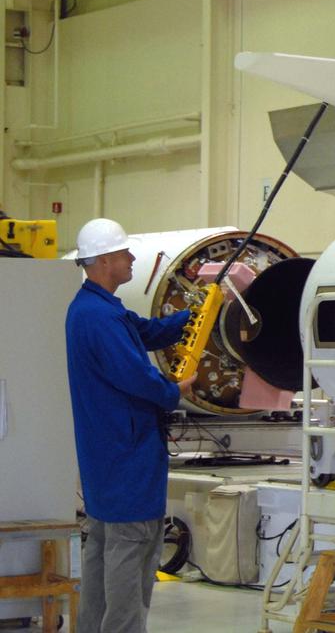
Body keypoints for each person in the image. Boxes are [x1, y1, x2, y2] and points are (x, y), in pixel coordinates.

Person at [66, 218, 194, 633]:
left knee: (102, 556)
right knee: (131, 563)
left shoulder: (96, 309)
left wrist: (194, 316)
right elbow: (136, 378)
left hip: (107, 462)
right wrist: (174, 391)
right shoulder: (101, 319)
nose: (132, 259)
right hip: (129, 462)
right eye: (124, 253)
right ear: (105, 260)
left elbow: (147, 332)